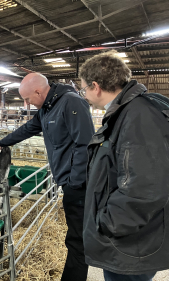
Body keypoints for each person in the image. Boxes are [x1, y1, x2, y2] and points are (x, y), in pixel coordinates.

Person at [0, 73, 94, 281]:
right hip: (67, 181)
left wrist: (75, 182)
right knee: (75, 237)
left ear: (38, 91)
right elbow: (29, 128)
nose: (26, 103)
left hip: (78, 184)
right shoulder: (48, 106)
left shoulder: (70, 102)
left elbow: (86, 144)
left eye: (28, 99)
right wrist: (3, 142)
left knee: (77, 240)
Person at [80, 50, 169, 281]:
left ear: (96, 86)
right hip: (130, 239)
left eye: (84, 89)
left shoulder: (138, 116)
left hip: (131, 244)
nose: (85, 95)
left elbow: (145, 186)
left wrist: (108, 223)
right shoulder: (126, 112)